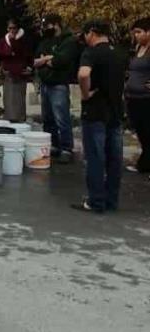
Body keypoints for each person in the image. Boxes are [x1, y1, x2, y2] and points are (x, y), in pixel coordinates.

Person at [72, 20, 127, 213]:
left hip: (95, 111)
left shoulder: (91, 52)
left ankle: (96, 201)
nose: (85, 38)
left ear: (92, 33)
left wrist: (86, 94)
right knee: (114, 158)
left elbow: (83, 74)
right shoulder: (119, 53)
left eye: (85, 34)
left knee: (95, 157)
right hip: (116, 110)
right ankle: (111, 201)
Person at [33, 13, 81, 164]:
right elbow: (35, 61)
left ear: (56, 25)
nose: (45, 28)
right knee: (48, 118)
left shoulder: (69, 41)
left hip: (59, 84)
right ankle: (53, 144)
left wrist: (46, 59)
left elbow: (62, 60)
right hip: (46, 83)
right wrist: (48, 59)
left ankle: (67, 147)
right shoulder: (45, 41)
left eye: (47, 25)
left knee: (62, 117)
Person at [125, 17, 150, 175]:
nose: (136, 36)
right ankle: (145, 164)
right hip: (133, 98)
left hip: (146, 99)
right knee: (141, 133)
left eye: (139, 32)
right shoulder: (137, 48)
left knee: (148, 132)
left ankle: (145, 164)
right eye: (134, 33)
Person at [0, 19, 32, 122]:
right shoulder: (4, 40)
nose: (12, 30)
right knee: (9, 99)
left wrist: (29, 67)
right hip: (8, 73)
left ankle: (20, 119)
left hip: (20, 73)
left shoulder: (22, 40)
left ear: (17, 28)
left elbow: (25, 54)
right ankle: (9, 119)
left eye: (14, 28)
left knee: (19, 100)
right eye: (9, 28)